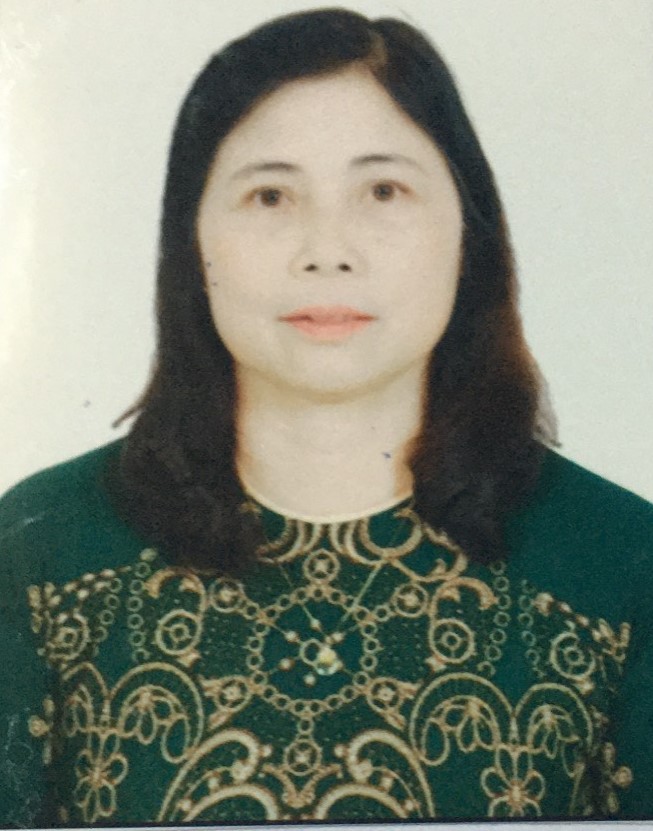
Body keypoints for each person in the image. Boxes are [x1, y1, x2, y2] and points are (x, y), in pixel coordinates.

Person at [1, 7, 651, 826]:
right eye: (270, 194)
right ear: (191, 243)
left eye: (382, 190)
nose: (327, 250)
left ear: (468, 234)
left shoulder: (621, 564)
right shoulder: (40, 550)